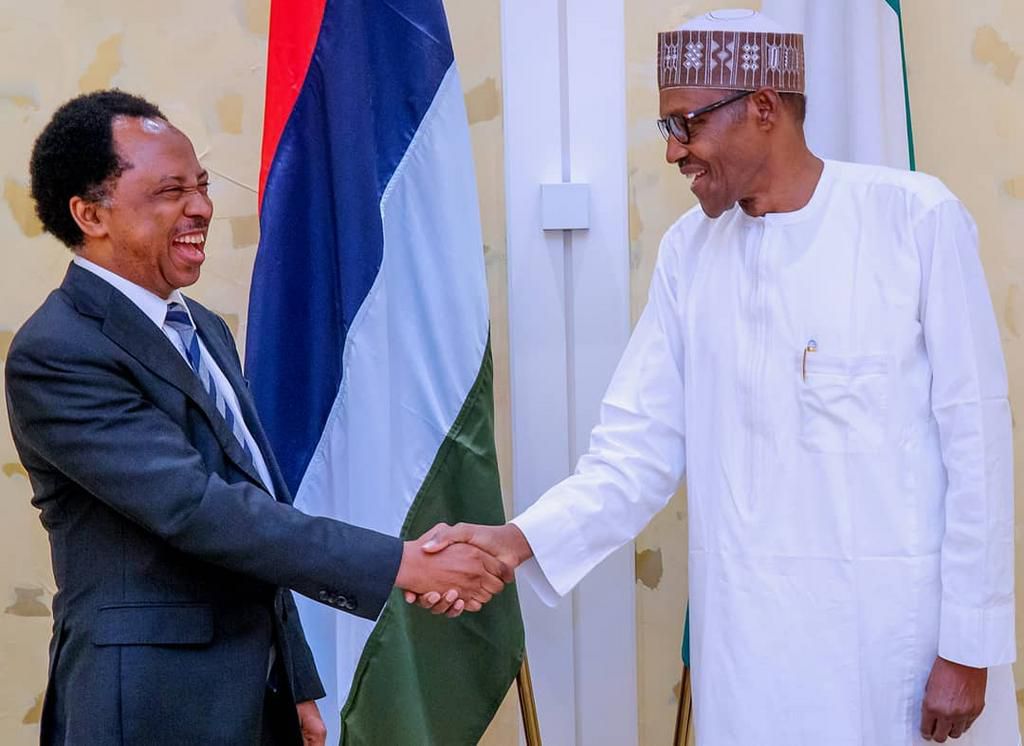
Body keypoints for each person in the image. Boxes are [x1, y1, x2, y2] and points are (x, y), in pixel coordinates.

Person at [410, 9, 1018, 745]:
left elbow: (977, 445)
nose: (675, 151)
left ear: (762, 107)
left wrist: (970, 645)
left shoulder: (915, 221)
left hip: (894, 651)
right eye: (668, 129)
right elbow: (633, 456)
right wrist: (516, 541)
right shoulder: (688, 253)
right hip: (750, 651)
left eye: (686, 124)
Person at [4, 90, 510, 746]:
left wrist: (292, 678)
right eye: (171, 190)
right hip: (148, 706)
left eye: (202, 185)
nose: (201, 207)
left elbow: (258, 500)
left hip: (251, 695)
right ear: (90, 213)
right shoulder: (59, 350)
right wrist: (399, 564)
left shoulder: (203, 328)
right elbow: (197, 508)